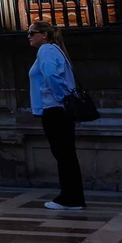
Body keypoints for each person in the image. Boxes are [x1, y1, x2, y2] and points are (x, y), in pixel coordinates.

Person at [28, 21, 85, 211]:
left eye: (31, 33)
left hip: (55, 109)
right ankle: (72, 196)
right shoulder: (53, 49)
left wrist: (61, 98)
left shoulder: (46, 50)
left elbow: (52, 76)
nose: (28, 37)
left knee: (63, 154)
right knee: (65, 154)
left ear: (44, 35)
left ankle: (71, 198)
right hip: (57, 109)